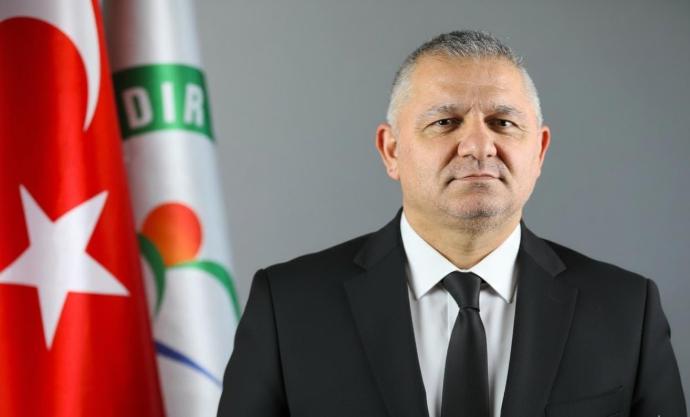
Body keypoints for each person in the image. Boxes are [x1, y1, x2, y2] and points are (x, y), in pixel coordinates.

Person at [217, 30, 686, 417]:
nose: (478, 146)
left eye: (503, 123)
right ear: (391, 150)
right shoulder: (289, 306)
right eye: (445, 122)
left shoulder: (627, 310)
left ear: (540, 150)